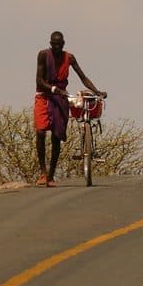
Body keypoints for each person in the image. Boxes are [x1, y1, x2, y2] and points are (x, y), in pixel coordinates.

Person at [34, 31, 107, 187]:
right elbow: (39, 81)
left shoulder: (69, 58)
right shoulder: (43, 55)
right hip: (44, 96)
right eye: (54, 45)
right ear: (50, 44)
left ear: (63, 44)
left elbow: (83, 77)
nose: (57, 47)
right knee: (40, 131)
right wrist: (56, 90)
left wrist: (97, 91)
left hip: (60, 99)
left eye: (60, 45)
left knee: (56, 136)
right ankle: (42, 172)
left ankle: (51, 176)